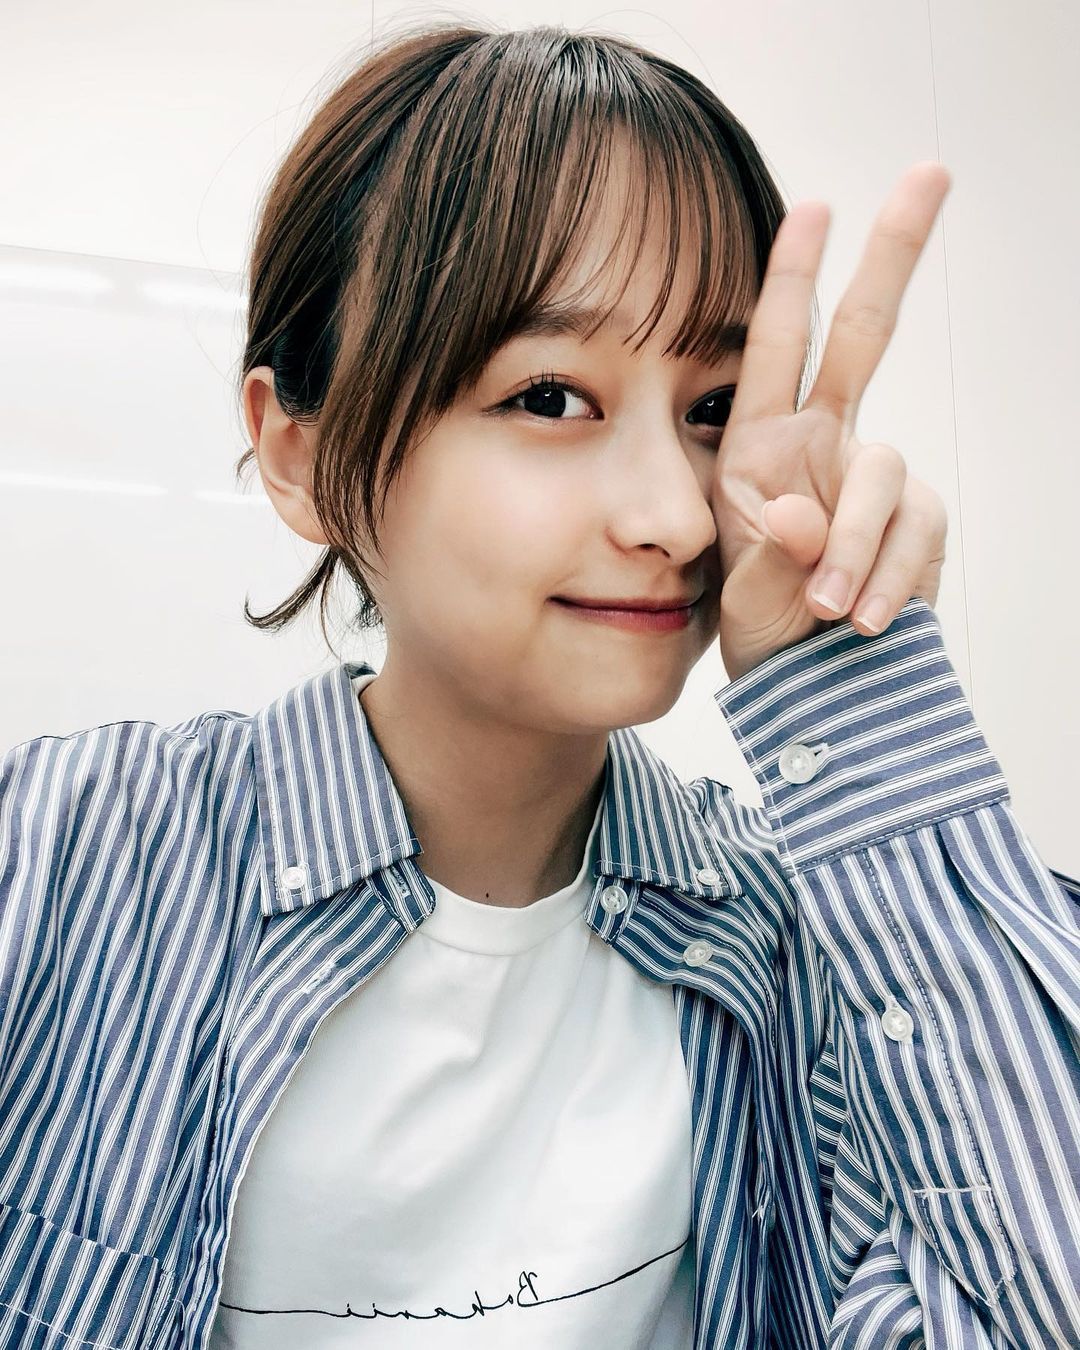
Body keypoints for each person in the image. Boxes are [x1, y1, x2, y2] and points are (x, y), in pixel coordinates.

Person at [0, 20, 1077, 1350]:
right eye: (553, 397)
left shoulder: (809, 941)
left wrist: (850, 698)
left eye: (712, 408)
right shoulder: (58, 858)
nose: (675, 516)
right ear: (299, 453)